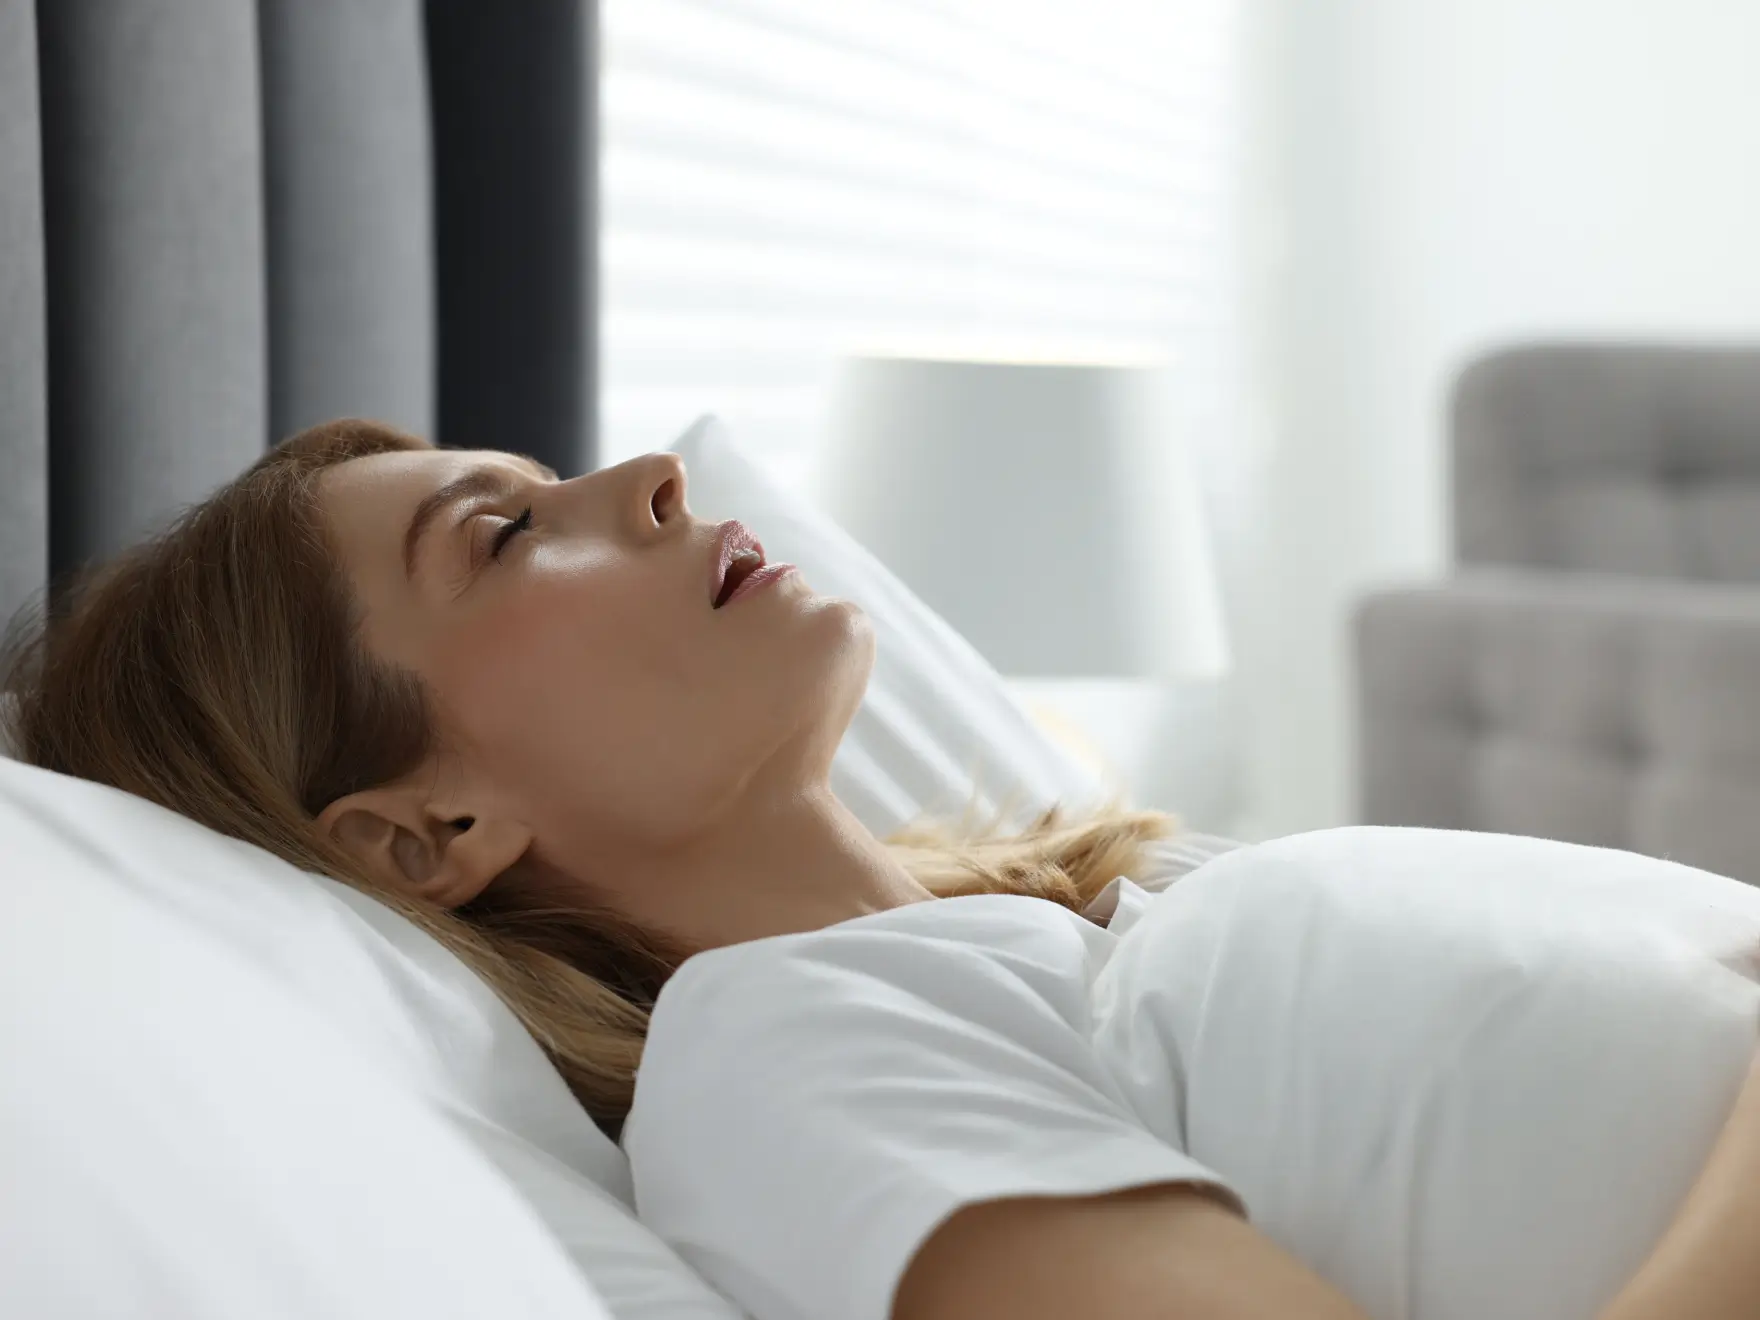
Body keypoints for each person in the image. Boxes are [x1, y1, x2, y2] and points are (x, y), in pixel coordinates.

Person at [7, 416, 1760, 1320]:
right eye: (507, 530)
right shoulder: (785, 1055)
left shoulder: (1067, 931)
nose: (647, 474)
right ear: (426, 830)